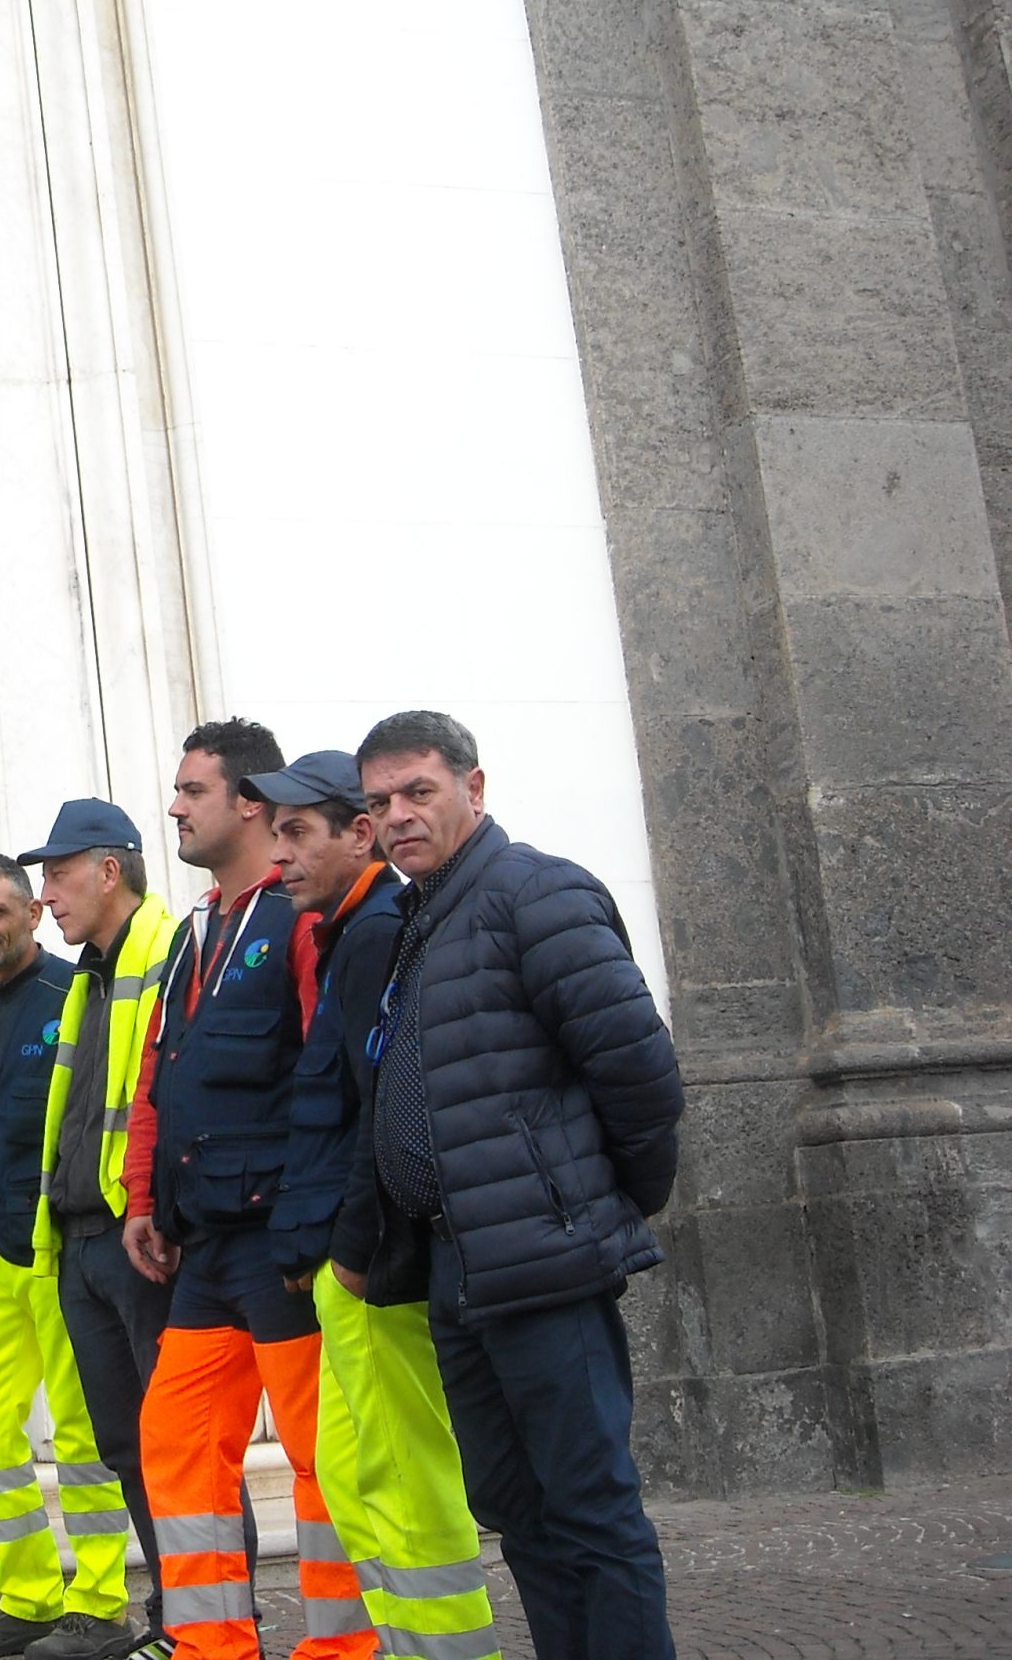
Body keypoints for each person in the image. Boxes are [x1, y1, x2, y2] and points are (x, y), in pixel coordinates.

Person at [346, 711, 682, 1660]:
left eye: (420, 791)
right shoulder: (424, 916)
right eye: (381, 804)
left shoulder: (535, 893)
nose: (399, 817)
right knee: (516, 1507)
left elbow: (642, 1079)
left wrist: (593, 1207)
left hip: (544, 1264)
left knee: (591, 1506)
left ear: (475, 788)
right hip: (459, 1268)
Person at [123, 721, 371, 1660]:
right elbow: (160, 1079)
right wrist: (144, 1199)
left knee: (318, 1452)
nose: (177, 808)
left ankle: (345, 1646)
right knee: (176, 1440)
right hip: (205, 1243)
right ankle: (213, 1645)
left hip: (282, 1241)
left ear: (250, 804)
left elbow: (329, 1075)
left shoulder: (299, 920)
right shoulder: (195, 933)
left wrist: (318, 1225)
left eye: (193, 791)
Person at [250, 751, 501, 1660]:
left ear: (359, 837)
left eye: (296, 834)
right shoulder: (341, 935)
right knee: (361, 1482)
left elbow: (382, 1111)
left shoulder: (377, 933)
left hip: (371, 1268)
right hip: (342, 1264)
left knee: (403, 1483)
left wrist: (348, 1251)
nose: (279, 857)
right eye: (274, 835)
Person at [0, 858, 131, 1660]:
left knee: (82, 1434)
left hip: (56, 1248)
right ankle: (26, 1597)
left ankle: (100, 1603)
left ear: (30, 912)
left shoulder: (75, 995)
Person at [16, 799, 187, 1632]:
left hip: (140, 1240)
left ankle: (207, 1624)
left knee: (176, 1447)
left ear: (109, 870)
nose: (45, 894)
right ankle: (173, 1614)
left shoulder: (169, 951)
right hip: (82, 1241)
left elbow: (169, 1098)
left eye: (57, 872)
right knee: (125, 1447)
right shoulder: (87, 974)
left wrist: (152, 1207)